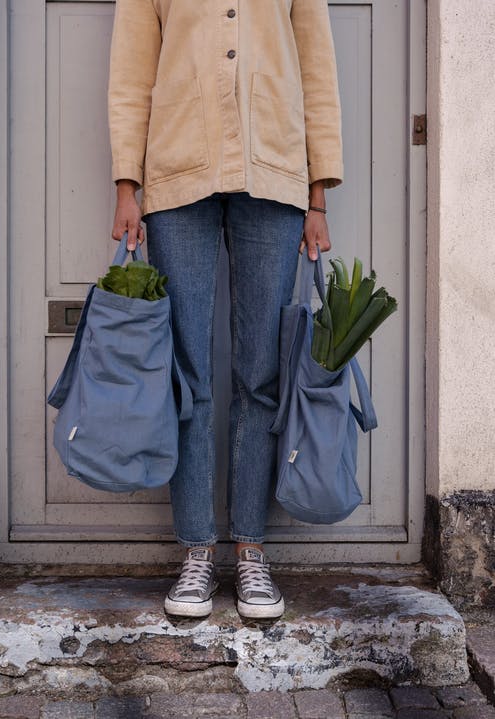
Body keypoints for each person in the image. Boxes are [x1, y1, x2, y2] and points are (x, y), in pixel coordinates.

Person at [107, 0, 343, 620]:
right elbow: (132, 72)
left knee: (261, 374)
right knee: (186, 373)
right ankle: (195, 550)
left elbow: (316, 68)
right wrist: (126, 186)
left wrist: (317, 196)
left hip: (274, 175)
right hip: (178, 176)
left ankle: (250, 548)